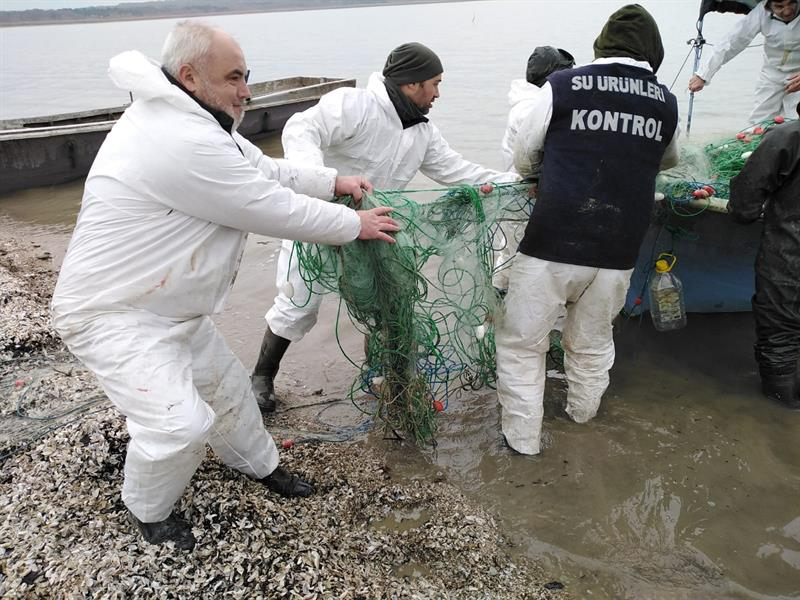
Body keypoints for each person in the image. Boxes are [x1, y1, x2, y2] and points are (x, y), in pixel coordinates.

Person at [50, 21, 399, 550]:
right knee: (179, 426)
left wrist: (333, 181)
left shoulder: (199, 121)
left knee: (230, 394)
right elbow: (266, 206)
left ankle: (260, 467)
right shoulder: (178, 137)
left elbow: (264, 171)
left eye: (247, 76)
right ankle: (148, 511)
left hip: (172, 307)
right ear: (190, 75)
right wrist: (355, 224)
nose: (247, 91)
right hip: (113, 314)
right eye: (234, 77)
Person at [252, 42, 518, 413]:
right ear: (412, 84)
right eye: (435, 84)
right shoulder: (355, 105)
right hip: (320, 221)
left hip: (376, 230)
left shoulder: (422, 132)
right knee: (299, 302)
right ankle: (262, 376)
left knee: (386, 303)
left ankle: (379, 375)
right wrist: (323, 183)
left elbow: (459, 170)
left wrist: (516, 182)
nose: (438, 94)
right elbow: (301, 128)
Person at [499, 4, 680, 455]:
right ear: (653, 52)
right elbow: (668, 159)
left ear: (601, 44)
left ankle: (523, 445)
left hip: (553, 241)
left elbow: (524, 154)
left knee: (523, 344)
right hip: (619, 248)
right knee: (592, 343)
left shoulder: (562, 85)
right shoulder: (666, 102)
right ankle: (583, 423)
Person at [729, 102, 800, 409]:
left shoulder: (788, 137)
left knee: (781, 337)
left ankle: (779, 410)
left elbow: (744, 205)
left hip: (789, 259)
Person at [494, 45, 575, 292]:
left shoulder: (531, 102)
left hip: (517, 199)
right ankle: (501, 302)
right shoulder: (532, 109)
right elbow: (532, 162)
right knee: (522, 265)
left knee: (509, 258)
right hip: (524, 200)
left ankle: (496, 303)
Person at [688, 0, 800, 124]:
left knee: (795, 120)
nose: (787, 11)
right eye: (779, 6)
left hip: (798, 73)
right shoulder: (761, 12)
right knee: (759, 123)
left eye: (791, 3)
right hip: (771, 75)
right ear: (768, 6)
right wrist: (703, 74)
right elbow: (732, 41)